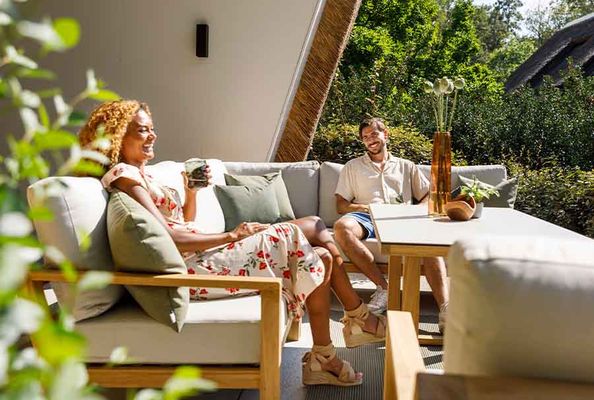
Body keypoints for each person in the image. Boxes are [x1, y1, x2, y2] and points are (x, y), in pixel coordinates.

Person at [79, 100, 385, 387]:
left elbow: (182, 223)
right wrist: (232, 236)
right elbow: (168, 238)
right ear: (117, 135)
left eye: (151, 128)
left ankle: (325, 356)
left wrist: (191, 193)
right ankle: (357, 319)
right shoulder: (124, 175)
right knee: (311, 227)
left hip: (197, 255)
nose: (153, 135)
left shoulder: (141, 176)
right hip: (190, 268)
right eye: (143, 129)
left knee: (322, 254)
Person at [333, 117, 449, 330]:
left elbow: (428, 196)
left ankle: (445, 309)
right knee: (342, 228)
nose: (370, 140)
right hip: (368, 217)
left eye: (374, 134)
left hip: (401, 218)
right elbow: (341, 205)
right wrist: (368, 208)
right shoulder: (352, 167)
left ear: (385, 134)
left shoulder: (406, 166)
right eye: (365, 137)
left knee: (429, 239)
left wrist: (415, 212)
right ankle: (384, 288)